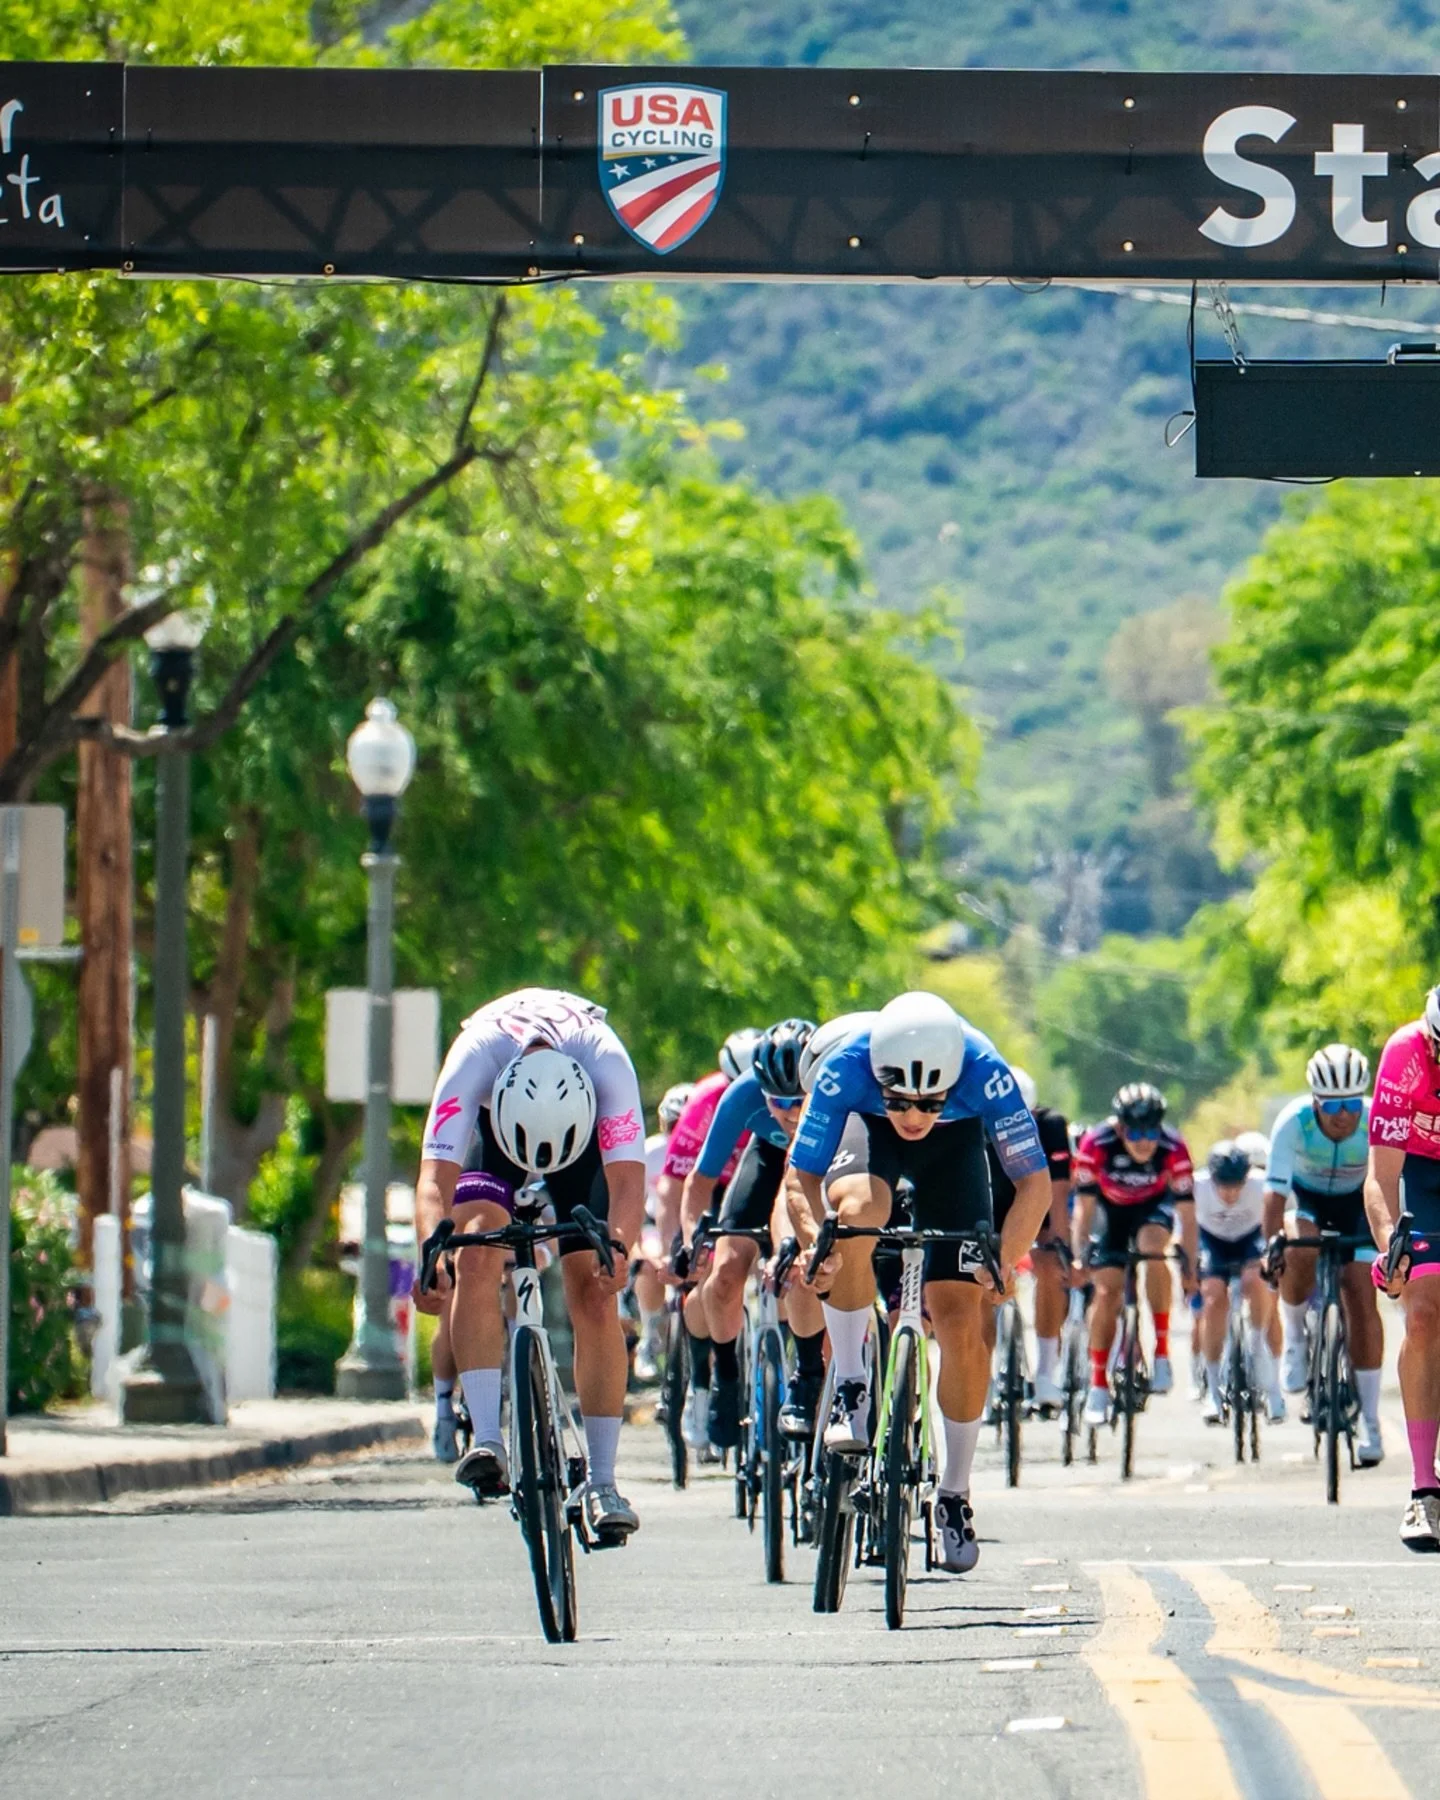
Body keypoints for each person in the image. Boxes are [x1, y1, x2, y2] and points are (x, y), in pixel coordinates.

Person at [787, 991, 1052, 1575]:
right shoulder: (846, 1067)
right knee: (856, 1211)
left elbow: (1035, 1185)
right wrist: (816, 1244)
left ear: (952, 1081)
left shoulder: (986, 1071)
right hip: (866, 1137)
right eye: (901, 1099)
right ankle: (853, 1384)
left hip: (955, 1155)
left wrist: (1002, 1261)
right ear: (878, 1075)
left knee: (961, 1323)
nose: (912, 1115)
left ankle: (954, 1493)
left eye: (929, 1101)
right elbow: (800, 1175)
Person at [414, 987, 646, 1538]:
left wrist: (620, 1250)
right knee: (475, 1248)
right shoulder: (475, 1056)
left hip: (581, 1149)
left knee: (594, 1288)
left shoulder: (607, 1062)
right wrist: (431, 1255)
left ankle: (604, 1479)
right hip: (496, 1138)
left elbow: (628, 1182)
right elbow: (432, 1180)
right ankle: (488, 1438)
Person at [679, 1019, 828, 1443]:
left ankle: (814, 1374)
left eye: (802, 1101)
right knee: (725, 1272)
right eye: (779, 1104)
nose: (792, 1113)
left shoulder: (837, 1095)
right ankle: (726, 1376)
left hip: (821, 1165)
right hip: (765, 1162)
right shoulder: (741, 1095)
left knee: (810, 1267)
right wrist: (692, 1239)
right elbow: (700, 1182)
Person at [1265, 1042, 1383, 1466]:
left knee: (1360, 1292)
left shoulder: (1375, 1120)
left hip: (1359, 1203)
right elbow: (1275, 1194)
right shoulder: (1292, 1122)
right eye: (1331, 1105)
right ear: (1314, 1100)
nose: (1342, 1115)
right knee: (1300, 1245)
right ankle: (1294, 1337)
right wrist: (1272, 1244)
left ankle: (1371, 1421)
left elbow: (1389, 1183)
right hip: (1308, 1200)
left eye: (1351, 1103)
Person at [659, 1028, 761, 1450]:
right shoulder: (706, 1100)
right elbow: (675, 1187)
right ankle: (704, 1383)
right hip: (716, 1187)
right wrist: (680, 1248)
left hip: (766, 1178)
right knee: (707, 1277)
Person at [1073, 1082, 1197, 1428]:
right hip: (1110, 1214)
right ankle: (1098, 1384)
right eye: (1134, 1131)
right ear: (1119, 1126)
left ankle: (1160, 1351)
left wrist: (1189, 1264)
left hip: (1152, 1209)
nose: (1144, 1140)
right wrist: (1080, 1255)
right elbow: (1082, 1210)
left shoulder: (1174, 1148)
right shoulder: (1096, 1144)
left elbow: (1187, 1215)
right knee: (1106, 1290)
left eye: (1151, 1131)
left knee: (1153, 1248)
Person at [1366, 990, 1440, 1548]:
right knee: (1422, 1317)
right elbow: (1381, 1178)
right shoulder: (1405, 1054)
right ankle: (1423, 1492)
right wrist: (1393, 1248)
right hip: (1419, 1173)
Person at [982, 1066, 1072, 1409]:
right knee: (981, 1281)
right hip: (990, 1204)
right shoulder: (976, 1121)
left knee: (1049, 1267)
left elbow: (1059, 1192)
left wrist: (1060, 1243)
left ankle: (1047, 1371)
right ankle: (984, 1376)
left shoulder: (1051, 1126)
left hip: (1036, 1203)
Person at [1194, 1139, 1282, 1424]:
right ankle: (1213, 1388)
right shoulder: (1198, 1186)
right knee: (1213, 1297)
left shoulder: (1261, 1184)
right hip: (1213, 1241)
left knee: (1256, 1280)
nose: (1231, 1192)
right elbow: (1182, 1224)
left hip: (1249, 1239)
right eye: (1224, 1185)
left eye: (1237, 1185)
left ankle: (1257, 1348)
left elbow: (1279, 1219)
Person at [632, 1082, 693, 1382]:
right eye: (673, 1125)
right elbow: (634, 1202)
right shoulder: (650, 1151)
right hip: (655, 1224)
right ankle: (649, 1333)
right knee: (651, 1263)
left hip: (695, 1225)